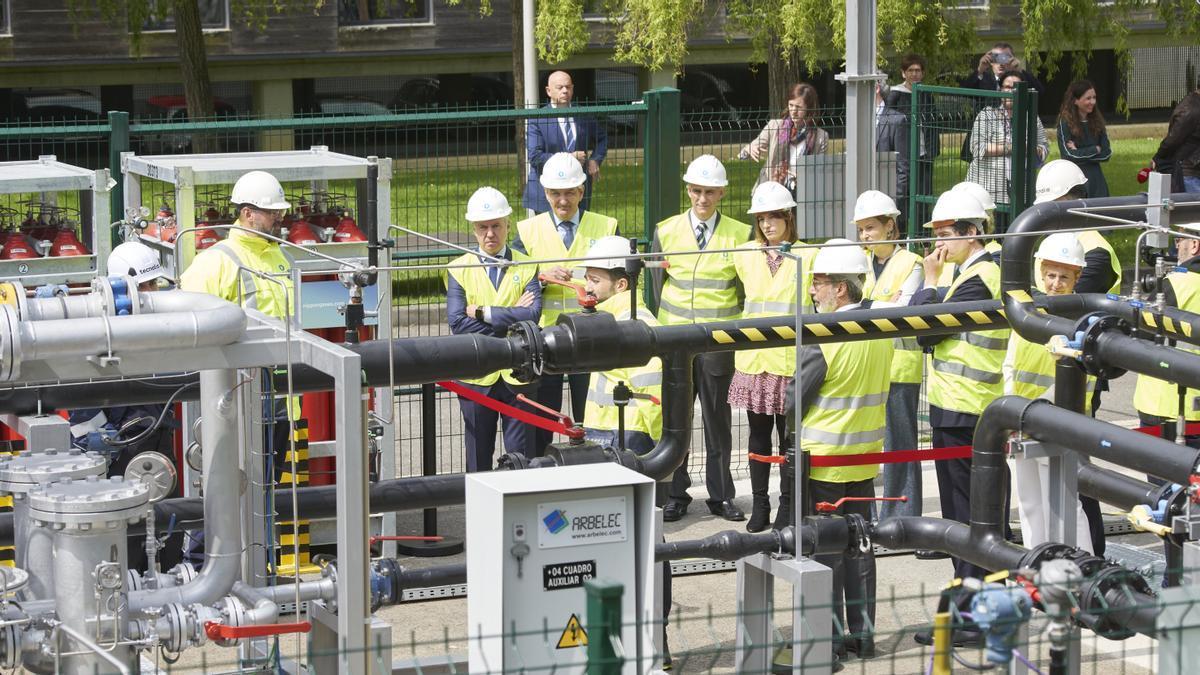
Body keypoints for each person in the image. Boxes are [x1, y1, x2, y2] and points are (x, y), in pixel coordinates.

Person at [910, 190, 1010, 637]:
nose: (938, 246)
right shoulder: (972, 271)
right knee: (970, 516)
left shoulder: (979, 277)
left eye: (946, 235)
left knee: (969, 519)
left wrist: (929, 281)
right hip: (961, 409)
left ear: (972, 233)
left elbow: (925, 330)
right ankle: (972, 610)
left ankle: (974, 616)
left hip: (965, 411)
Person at [790, 239, 892, 661]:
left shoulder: (824, 338)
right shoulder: (884, 329)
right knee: (861, 549)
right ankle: (863, 637)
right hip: (865, 458)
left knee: (826, 554)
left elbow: (791, 401)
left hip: (824, 463)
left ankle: (828, 644)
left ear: (841, 289)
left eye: (819, 283)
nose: (813, 292)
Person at [71, 240, 183, 573]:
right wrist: (96, 447)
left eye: (154, 284)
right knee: (125, 543)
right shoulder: (97, 329)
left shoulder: (158, 324)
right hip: (118, 452)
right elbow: (79, 400)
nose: (151, 292)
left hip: (158, 445)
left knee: (168, 531)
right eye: (145, 285)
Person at [654, 155, 752, 523]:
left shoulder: (740, 235)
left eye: (710, 192)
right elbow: (657, 288)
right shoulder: (666, 231)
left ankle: (721, 494)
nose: (702, 199)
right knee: (675, 421)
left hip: (716, 343)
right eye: (696, 190)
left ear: (722, 193)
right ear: (688, 190)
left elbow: (743, 291)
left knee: (717, 420)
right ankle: (676, 492)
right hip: (676, 343)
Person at [514, 152, 619, 452]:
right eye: (556, 193)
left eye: (570, 193)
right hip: (545, 340)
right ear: (545, 193)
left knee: (594, 417)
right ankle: (541, 474)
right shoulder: (527, 232)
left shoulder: (606, 227)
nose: (563, 200)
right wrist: (541, 277)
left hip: (592, 337)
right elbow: (513, 283)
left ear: (581, 192)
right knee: (542, 417)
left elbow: (620, 281)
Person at [1004, 233, 1097, 554]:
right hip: (1021, 422)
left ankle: (1084, 568)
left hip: (1058, 424)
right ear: (1041, 272)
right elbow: (1010, 368)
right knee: (1030, 504)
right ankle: (1039, 568)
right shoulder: (1028, 314)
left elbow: (1080, 382)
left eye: (1064, 277)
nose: (1055, 283)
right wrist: (1009, 415)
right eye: (1051, 275)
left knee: (1065, 505)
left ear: (1077, 278)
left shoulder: (1081, 322)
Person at [727, 181, 812, 531]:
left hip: (791, 362)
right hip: (755, 361)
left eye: (775, 217)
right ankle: (760, 504)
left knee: (791, 439)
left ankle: (788, 506)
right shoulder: (744, 253)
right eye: (762, 218)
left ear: (789, 218)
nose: (768, 225)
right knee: (758, 435)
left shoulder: (809, 255)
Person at [446, 187, 542, 470]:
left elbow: (533, 316)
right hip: (476, 378)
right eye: (483, 227)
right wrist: (513, 321)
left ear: (507, 224)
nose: (490, 233)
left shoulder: (528, 265)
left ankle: (517, 513)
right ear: (473, 229)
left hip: (519, 377)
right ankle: (479, 514)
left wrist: (482, 312)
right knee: (478, 458)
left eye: (496, 225)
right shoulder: (457, 268)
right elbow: (458, 323)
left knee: (521, 459)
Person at [854, 191, 922, 520]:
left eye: (871, 228)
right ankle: (870, 515)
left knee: (900, 446)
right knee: (866, 444)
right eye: (861, 229)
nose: (865, 236)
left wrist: (867, 306)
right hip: (866, 366)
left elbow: (905, 311)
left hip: (900, 367)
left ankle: (902, 519)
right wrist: (884, 305)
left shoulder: (911, 263)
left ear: (890, 226)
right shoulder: (860, 262)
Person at [580, 236, 663, 452]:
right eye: (587, 278)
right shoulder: (611, 321)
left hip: (627, 435)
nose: (587, 287)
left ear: (621, 285)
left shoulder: (635, 325)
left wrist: (662, 444)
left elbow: (652, 392)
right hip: (606, 430)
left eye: (595, 281)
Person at [523, 70, 607, 214]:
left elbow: (602, 138)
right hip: (546, 192)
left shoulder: (583, 114)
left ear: (573, 89)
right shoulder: (537, 119)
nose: (565, 91)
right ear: (549, 91)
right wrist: (569, 157)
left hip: (576, 191)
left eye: (568, 87)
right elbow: (535, 157)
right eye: (560, 87)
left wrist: (595, 159)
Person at [1034, 160, 1121, 295]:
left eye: (1054, 206)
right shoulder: (1048, 243)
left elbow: (1062, 304)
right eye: (1045, 207)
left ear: (1078, 204)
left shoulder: (1097, 254)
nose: (1047, 214)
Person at [966, 71, 1049, 208]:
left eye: (1015, 87)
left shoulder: (1031, 117)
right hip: (989, 188)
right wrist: (1014, 148)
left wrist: (1033, 149)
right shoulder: (987, 114)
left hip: (1022, 189)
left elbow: (1044, 146)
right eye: (1007, 87)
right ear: (1000, 89)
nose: (1011, 91)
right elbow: (976, 147)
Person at [876, 54, 939, 229]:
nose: (914, 74)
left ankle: (922, 239)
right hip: (902, 156)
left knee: (924, 199)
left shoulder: (927, 94)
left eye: (918, 70)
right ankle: (901, 236)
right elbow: (887, 124)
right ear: (903, 73)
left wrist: (932, 152)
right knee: (901, 199)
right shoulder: (895, 95)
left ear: (923, 73)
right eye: (910, 70)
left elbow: (933, 125)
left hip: (923, 155)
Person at [739, 83, 829, 190]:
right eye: (791, 105)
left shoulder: (820, 136)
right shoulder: (775, 126)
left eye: (799, 107)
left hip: (803, 190)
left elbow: (820, 171)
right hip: (771, 189)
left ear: (809, 109)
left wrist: (801, 178)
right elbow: (744, 153)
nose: (794, 112)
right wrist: (748, 149)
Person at [1056, 80, 1112, 199]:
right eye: (1088, 98)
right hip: (1075, 180)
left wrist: (1079, 151)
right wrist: (1095, 149)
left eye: (1094, 97)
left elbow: (1106, 154)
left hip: (1097, 181)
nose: (1092, 102)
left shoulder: (1098, 123)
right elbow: (1068, 155)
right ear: (1076, 101)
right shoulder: (1065, 124)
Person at [1151, 80, 1200, 193]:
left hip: (1192, 170)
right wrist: (1158, 157)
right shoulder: (1191, 110)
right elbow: (1173, 139)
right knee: (1191, 209)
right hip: (1189, 172)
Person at [960, 42, 1045, 96]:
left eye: (1005, 58)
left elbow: (1040, 92)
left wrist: (1020, 70)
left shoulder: (1019, 80)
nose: (1001, 63)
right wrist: (980, 70)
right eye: (996, 58)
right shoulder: (984, 79)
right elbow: (964, 92)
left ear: (1013, 59)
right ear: (991, 61)